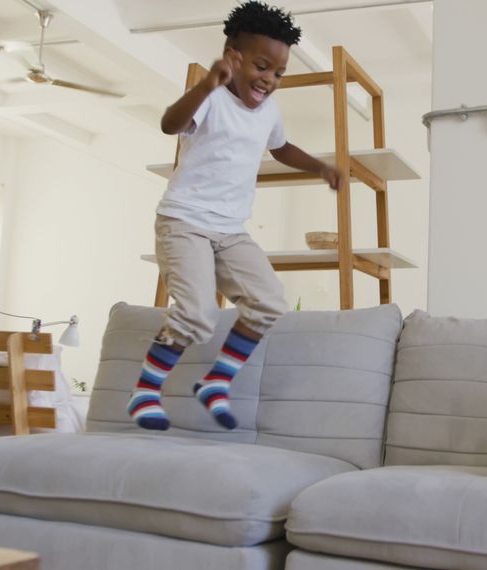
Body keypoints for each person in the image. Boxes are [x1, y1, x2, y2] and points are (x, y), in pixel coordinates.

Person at [128, 1, 339, 431]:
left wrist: (319, 166)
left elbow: (280, 147)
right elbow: (171, 124)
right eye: (261, 66)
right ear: (232, 55)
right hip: (184, 222)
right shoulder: (212, 99)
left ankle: (217, 381)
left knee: (269, 302)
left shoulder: (269, 112)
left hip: (230, 230)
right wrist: (206, 84)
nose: (269, 80)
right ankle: (145, 391)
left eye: (278, 73)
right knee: (197, 314)